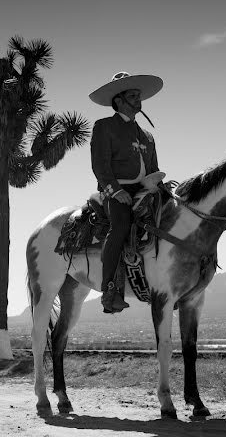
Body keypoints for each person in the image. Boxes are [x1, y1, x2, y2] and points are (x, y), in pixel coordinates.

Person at [89, 72, 164, 314]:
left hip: (145, 190)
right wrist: (115, 190)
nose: (138, 99)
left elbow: (152, 168)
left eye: (139, 95)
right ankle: (110, 291)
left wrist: (159, 183)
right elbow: (100, 166)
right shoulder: (104, 127)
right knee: (120, 227)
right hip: (116, 191)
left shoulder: (147, 136)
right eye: (133, 95)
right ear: (119, 100)